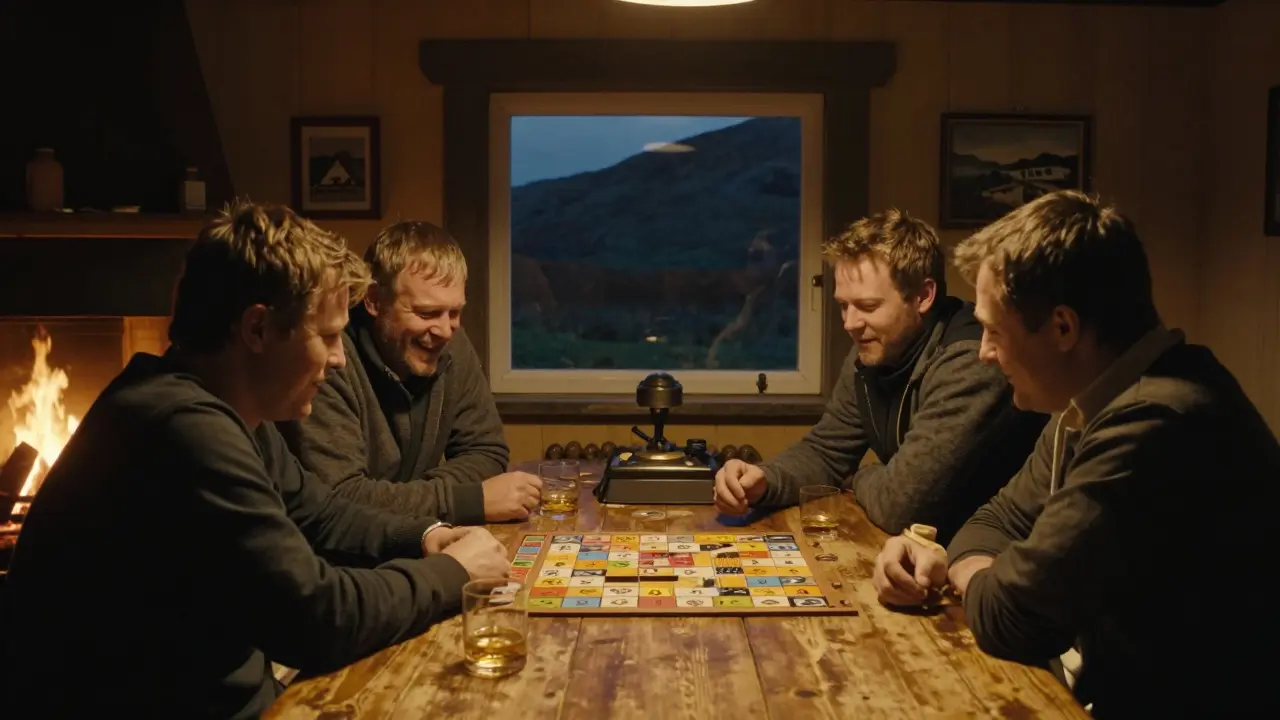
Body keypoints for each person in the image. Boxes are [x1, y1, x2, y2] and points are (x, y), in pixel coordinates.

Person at [0, 202, 510, 718]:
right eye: (328, 336)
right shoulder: (182, 428)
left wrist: (425, 537)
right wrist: (452, 573)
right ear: (258, 330)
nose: (338, 359)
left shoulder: (225, 407)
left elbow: (320, 512)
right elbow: (315, 618)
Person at [871, 191, 1280, 717]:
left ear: (1063, 328)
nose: (984, 352)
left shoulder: (1156, 420)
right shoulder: (1096, 399)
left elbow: (1014, 618)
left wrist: (960, 570)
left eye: (995, 331)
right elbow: (997, 519)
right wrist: (968, 559)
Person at [714, 209, 1047, 544]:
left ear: (922, 296)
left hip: (999, 557)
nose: (850, 323)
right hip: (926, 551)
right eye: (844, 306)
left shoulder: (970, 360)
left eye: (868, 306)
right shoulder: (874, 346)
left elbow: (900, 506)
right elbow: (827, 450)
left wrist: (860, 475)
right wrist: (764, 479)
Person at [279, 220, 541, 525]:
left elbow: (486, 450)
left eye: (454, 312)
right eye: (426, 313)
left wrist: (409, 500)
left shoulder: (451, 342)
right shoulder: (328, 360)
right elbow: (340, 498)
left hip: (410, 538)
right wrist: (465, 501)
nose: (444, 330)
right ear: (375, 300)